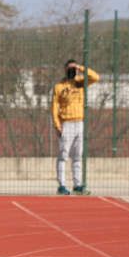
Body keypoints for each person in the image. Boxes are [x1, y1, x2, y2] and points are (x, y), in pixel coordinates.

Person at [52, 59, 99, 195]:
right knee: (63, 155)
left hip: (79, 122)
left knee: (78, 155)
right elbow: (54, 107)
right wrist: (57, 125)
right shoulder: (59, 87)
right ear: (65, 70)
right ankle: (62, 185)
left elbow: (95, 77)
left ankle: (77, 185)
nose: (72, 71)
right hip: (66, 123)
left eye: (73, 69)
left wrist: (80, 68)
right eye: (69, 69)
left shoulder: (80, 82)